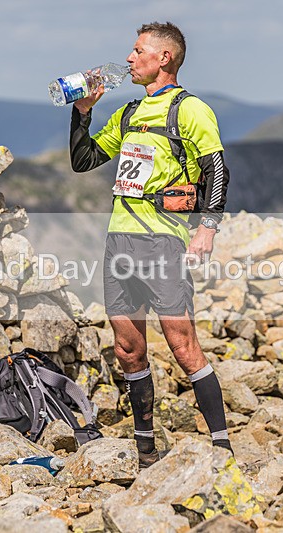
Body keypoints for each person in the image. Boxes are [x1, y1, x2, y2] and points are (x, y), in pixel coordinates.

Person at [69, 21, 231, 468]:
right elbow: (84, 160)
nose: (129, 58)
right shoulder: (128, 113)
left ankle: (222, 449)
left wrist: (207, 228)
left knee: (182, 345)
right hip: (120, 239)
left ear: (164, 58)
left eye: (138, 51)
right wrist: (82, 113)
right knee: (127, 349)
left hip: (163, 240)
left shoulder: (190, 110)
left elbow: (216, 169)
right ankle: (145, 453)